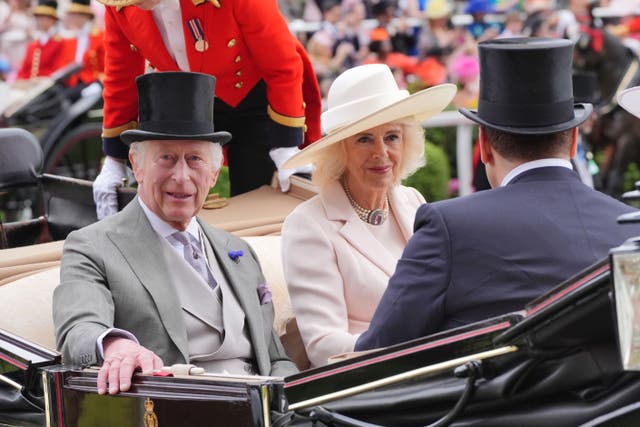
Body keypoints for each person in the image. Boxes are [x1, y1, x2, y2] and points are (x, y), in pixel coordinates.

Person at [355, 37, 640, 351]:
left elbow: (375, 355)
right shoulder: (628, 226)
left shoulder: (448, 226)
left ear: (485, 146)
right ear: (573, 141)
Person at [53, 71, 297, 396]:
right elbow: (79, 328)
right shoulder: (92, 247)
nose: (181, 177)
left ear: (212, 174)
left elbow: (276, 360)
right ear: (136, 165)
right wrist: (116, 346)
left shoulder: (236, 250)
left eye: (194, 159)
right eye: (166, 158)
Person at [281, 64, 456, 367]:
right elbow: (324, 347)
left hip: (435, 369)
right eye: (364, 139)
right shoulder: (308, 225)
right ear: (339, 151)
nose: (381, 152)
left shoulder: (411, 201)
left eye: (391, 137)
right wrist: (409, 352)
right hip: (364, 386)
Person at [91, 0, 322, 220]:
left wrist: (286, 146)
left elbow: (281, 64)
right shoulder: (123, 7)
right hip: (191, 98)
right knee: (177, 192)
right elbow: (121, 77)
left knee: (257, 197)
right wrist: (114, 160)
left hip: (256, 98)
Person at [16, 0, 67, 80]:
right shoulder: (33, 44)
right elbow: (23, 70)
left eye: (44, 17)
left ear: (53, 20)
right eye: (38, 17)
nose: (40, 21)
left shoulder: (59, 43)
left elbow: (58, 70)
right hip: (29, 86)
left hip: (48, 86)